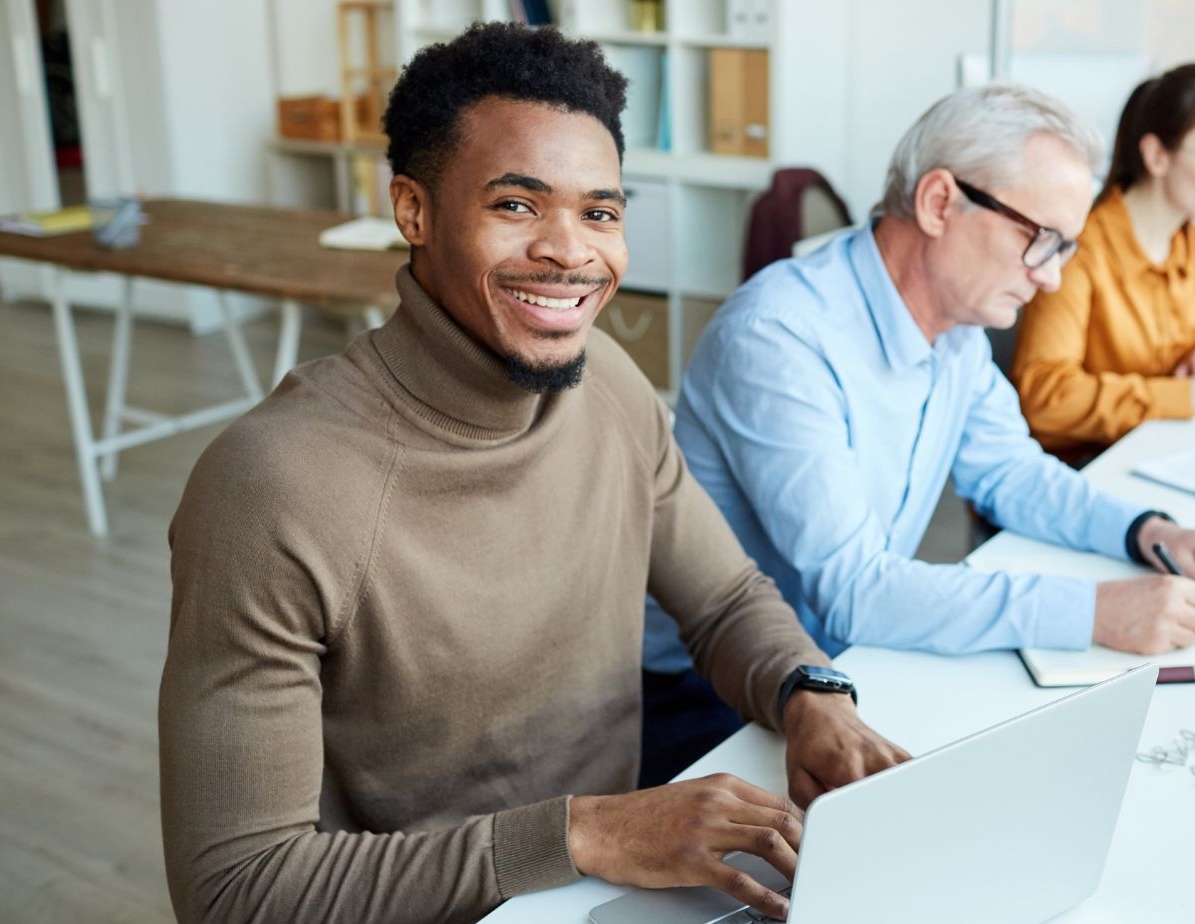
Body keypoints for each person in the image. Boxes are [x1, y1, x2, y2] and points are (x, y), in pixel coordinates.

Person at [156, 24, 905, 924]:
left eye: (600, 211)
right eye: (517, 205)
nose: (570, 251)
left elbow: (725, 599)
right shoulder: (271, 486)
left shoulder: (614, 388)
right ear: (414, 210)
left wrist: (808, 690)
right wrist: (582, 835)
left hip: (615, 888)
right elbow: (236, 891)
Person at [639, 84, 1195, 784]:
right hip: (714, 700)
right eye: (1041, 240)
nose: (1052, 279)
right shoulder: (779, 337)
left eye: (1066, 249)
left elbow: (1011, 474)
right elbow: (856, 591)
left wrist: (1150, 531)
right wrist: (1094, 611)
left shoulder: (956, 325)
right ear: (940, 203)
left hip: (849, 662)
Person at [1011, 63, 1195, 464]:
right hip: (1083, 471)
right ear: (1157, 155)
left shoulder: (1188, 247)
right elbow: (1047, 400)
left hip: (1157, 452)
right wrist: (1189, 396)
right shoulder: (1082, 251)